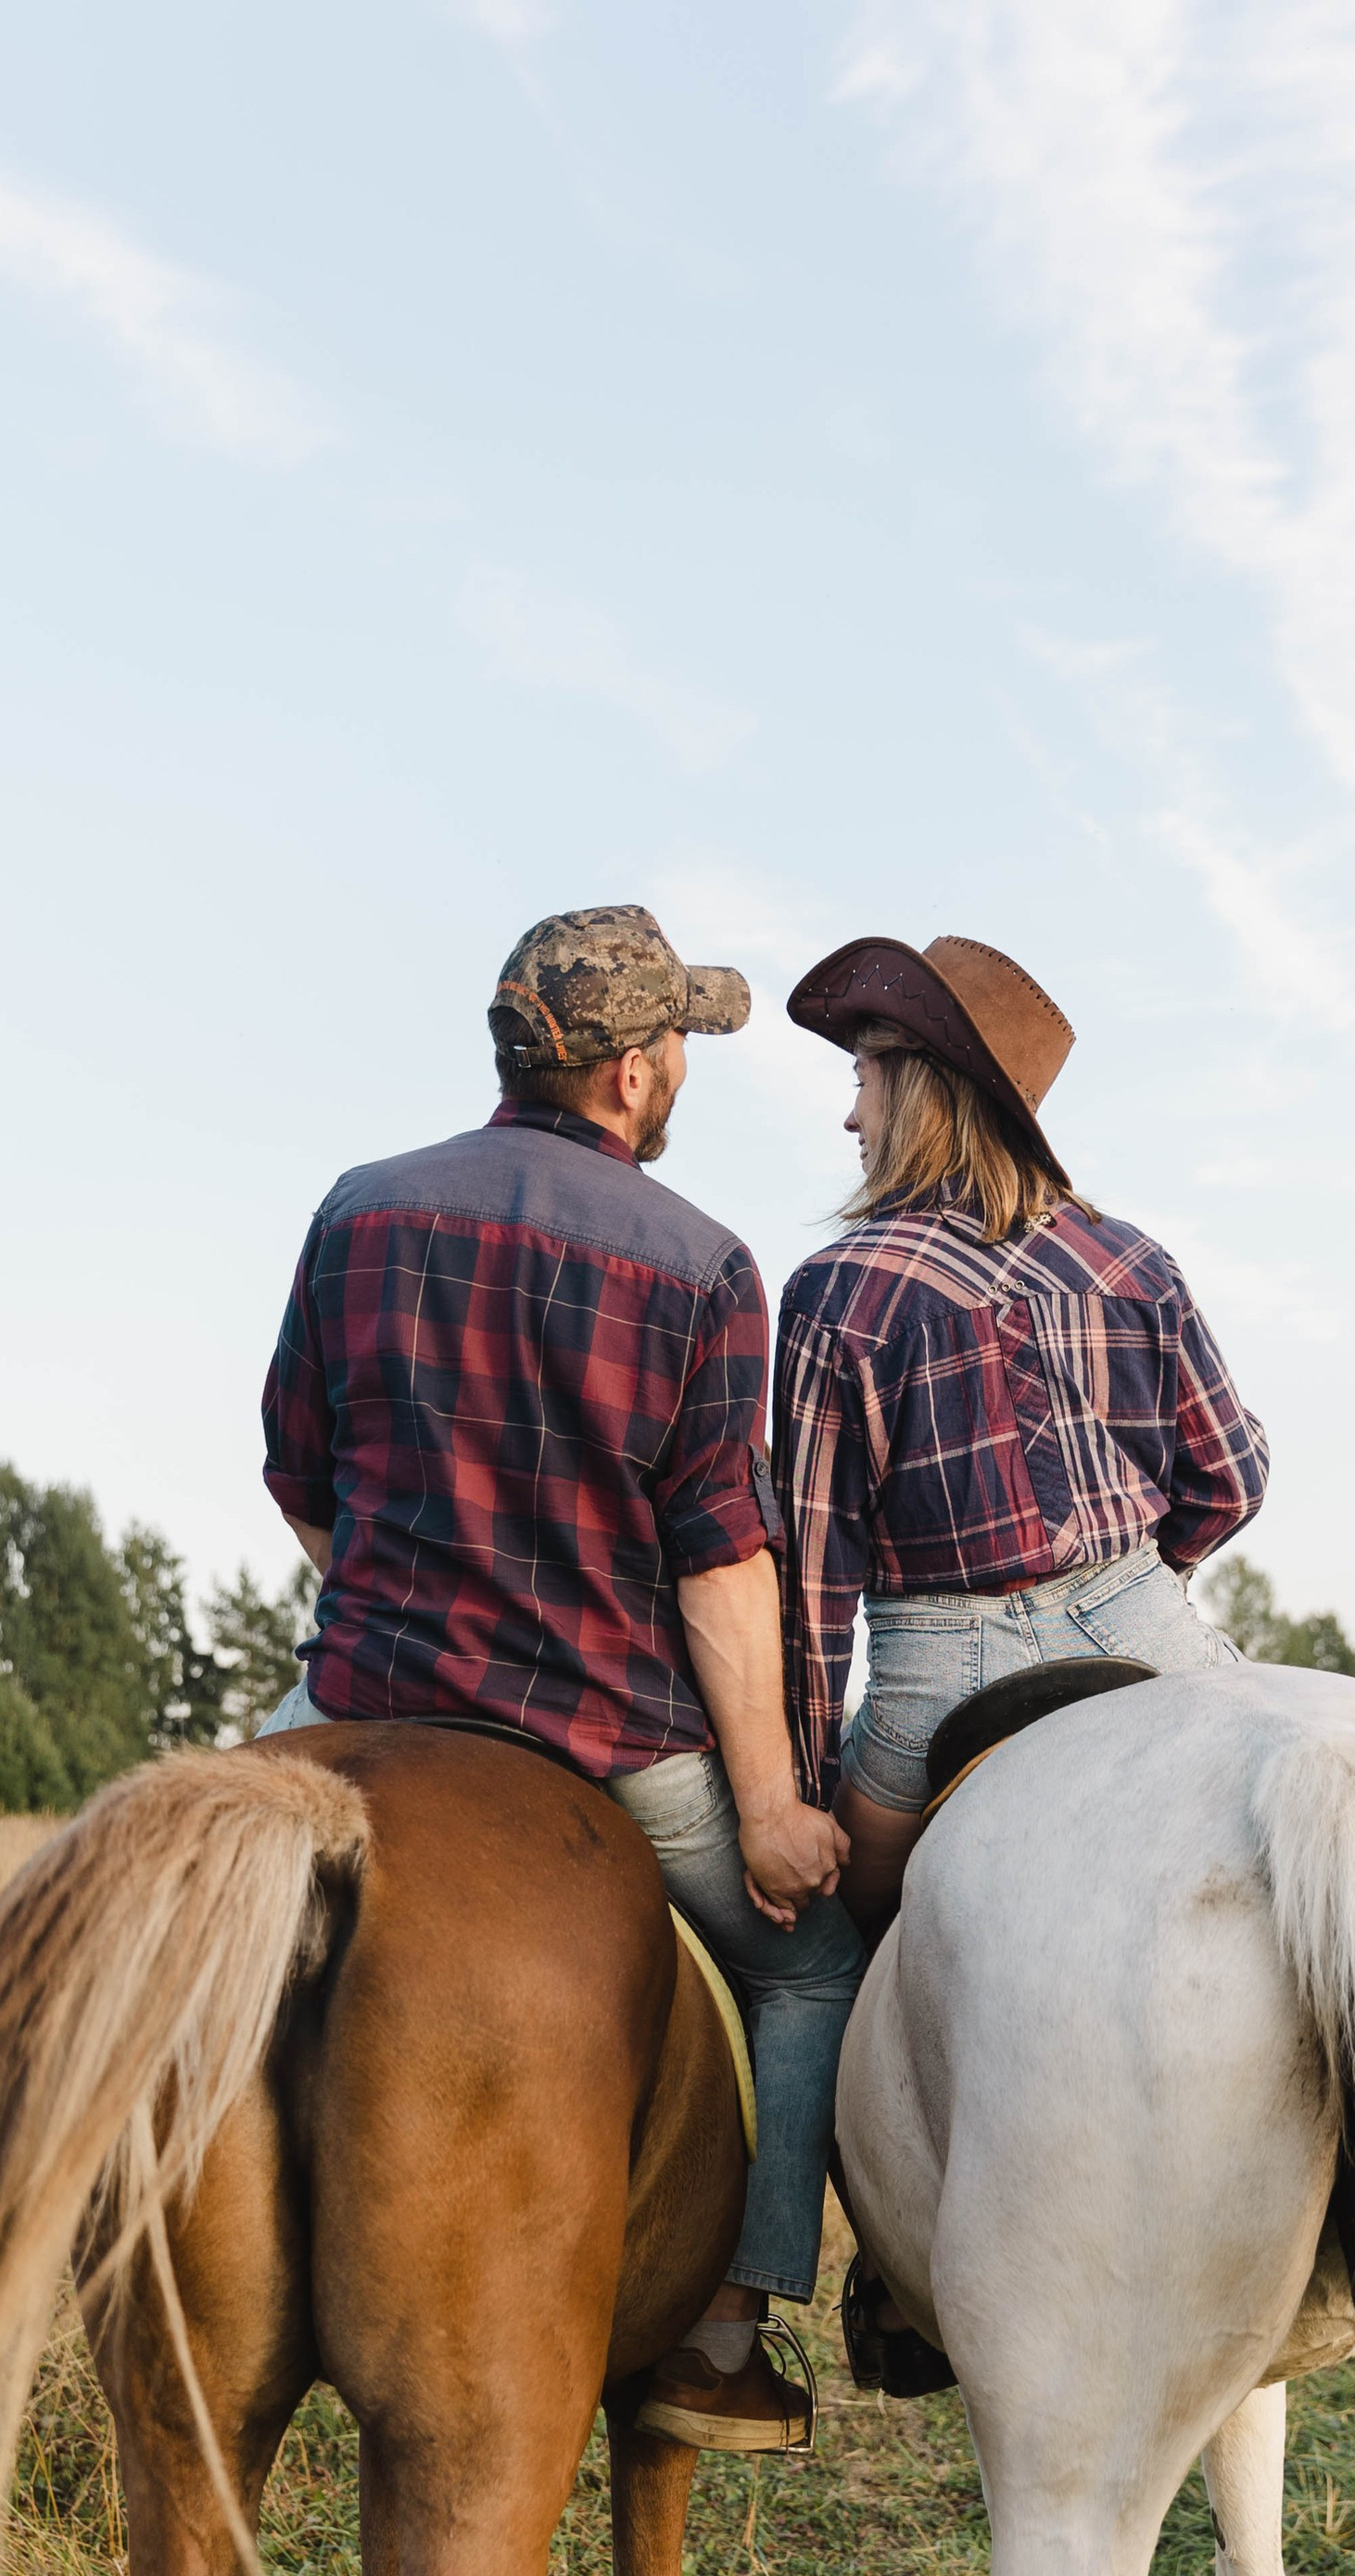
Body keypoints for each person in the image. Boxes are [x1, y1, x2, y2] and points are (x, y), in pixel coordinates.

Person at [258, 904, 864, 2450]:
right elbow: (724, 1567)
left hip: (354, 1701)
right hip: (603, 1736)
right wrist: (779, 1808)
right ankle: (723, 2331)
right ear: (629, 1074)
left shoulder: (359, 1210)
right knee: (805, 1967)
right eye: (678, 1046)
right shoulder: (705, 1264)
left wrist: (404, 1600)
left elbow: (298, 1475)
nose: (682, 1071)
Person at [771, 932, 1269, 2380]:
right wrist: (1124, 1584)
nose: (847, 1108)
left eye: (864, 1074)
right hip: (1143, 1625)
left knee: (821, 1940)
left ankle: (865, 2270)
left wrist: (798, 1787)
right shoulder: (1131, 1255)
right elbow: (1230, 1475)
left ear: (919, 1089)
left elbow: (814, 1586)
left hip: (938, 1669)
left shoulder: (838, 1291)